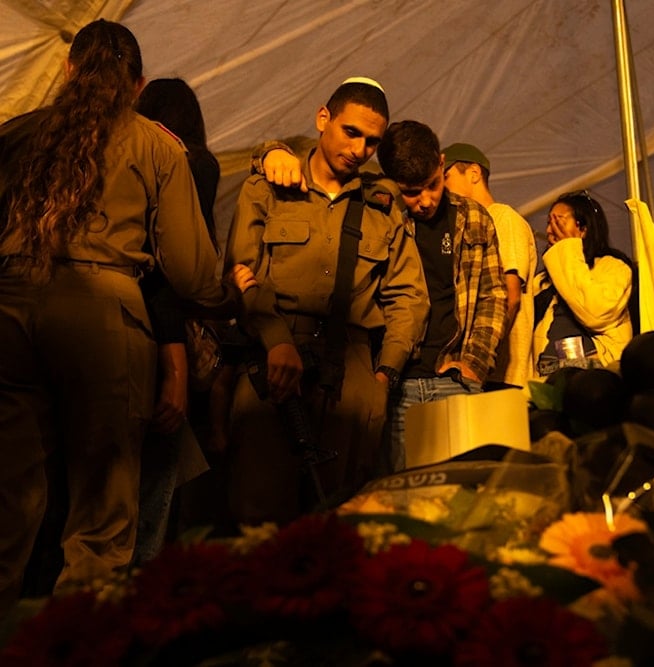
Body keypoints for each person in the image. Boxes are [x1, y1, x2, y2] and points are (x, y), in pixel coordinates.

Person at [0, 19, 237, 617]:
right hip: (104, 320)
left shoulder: (17, 133)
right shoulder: (158, 145)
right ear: (138, 84)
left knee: (7, 503)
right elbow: (189, 270)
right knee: (102, 519)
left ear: (68, 70)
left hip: (8, 310)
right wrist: (231, 299)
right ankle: (73, 646)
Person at [224, 79, 429, 522]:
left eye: (372, 142)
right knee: (256, 517)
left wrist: (384, 374)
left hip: (353, 376)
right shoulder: (269, 188)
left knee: (338, 522)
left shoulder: (382, 204)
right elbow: (243, 271)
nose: (360, 149)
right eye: (351, 132)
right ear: (323, 120)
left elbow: (409, 295)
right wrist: (277, 340)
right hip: (271, 363)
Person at [132, 78, 232, 562]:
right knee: (160, 475)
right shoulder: (193, 161)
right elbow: (180, 264)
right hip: (169, 327)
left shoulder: (130, 154)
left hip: (130, 324)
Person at [375, 120, 507, 470]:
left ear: (443, 163)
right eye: (411, 192)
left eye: (433, 185)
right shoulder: (381, 220)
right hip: (398, 385)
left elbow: (493, 295)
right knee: (406, 503)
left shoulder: (475, 217)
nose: (426, 200)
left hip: (457, 380)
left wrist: (474, 364)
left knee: (465, 500)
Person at [442, 142, 537, 389]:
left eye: (446, 176)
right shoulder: (468, 227)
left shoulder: (502, 217)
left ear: (474, 173)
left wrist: (477, 361)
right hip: (477, 374)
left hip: (500, 376)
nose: (442, 187)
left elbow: (510, 296)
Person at [532, 190, 633, 377]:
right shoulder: (541, 282)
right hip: (548, 374)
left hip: (595, 370)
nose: (549, 230)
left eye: (558, 221)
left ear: (583, 228)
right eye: (548, 222)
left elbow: (594, 312)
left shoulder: (613, 267)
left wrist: (568, 248)